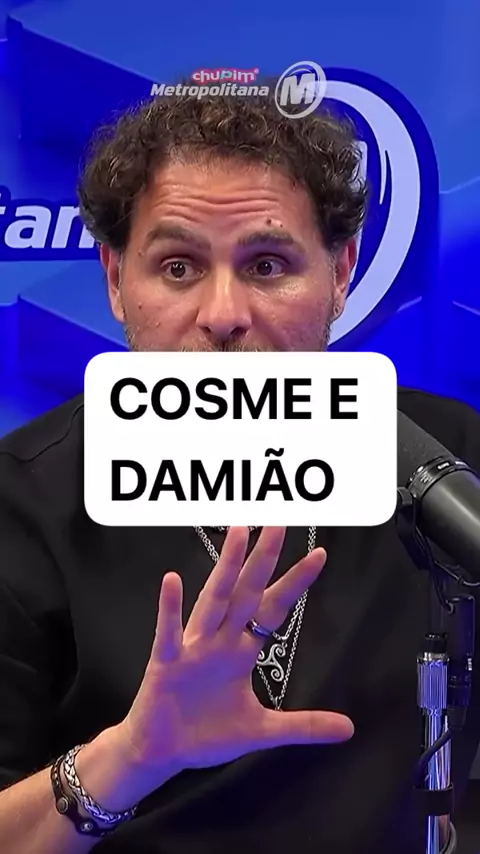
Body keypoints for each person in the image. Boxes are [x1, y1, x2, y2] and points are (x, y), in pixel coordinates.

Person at [0, 91, 479, 854]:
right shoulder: (20, 498)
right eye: (179, 266)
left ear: (341, 272)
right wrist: (130, 757)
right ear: (116, 280)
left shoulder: (450, 459)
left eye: (266, 264)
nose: (223, 313)